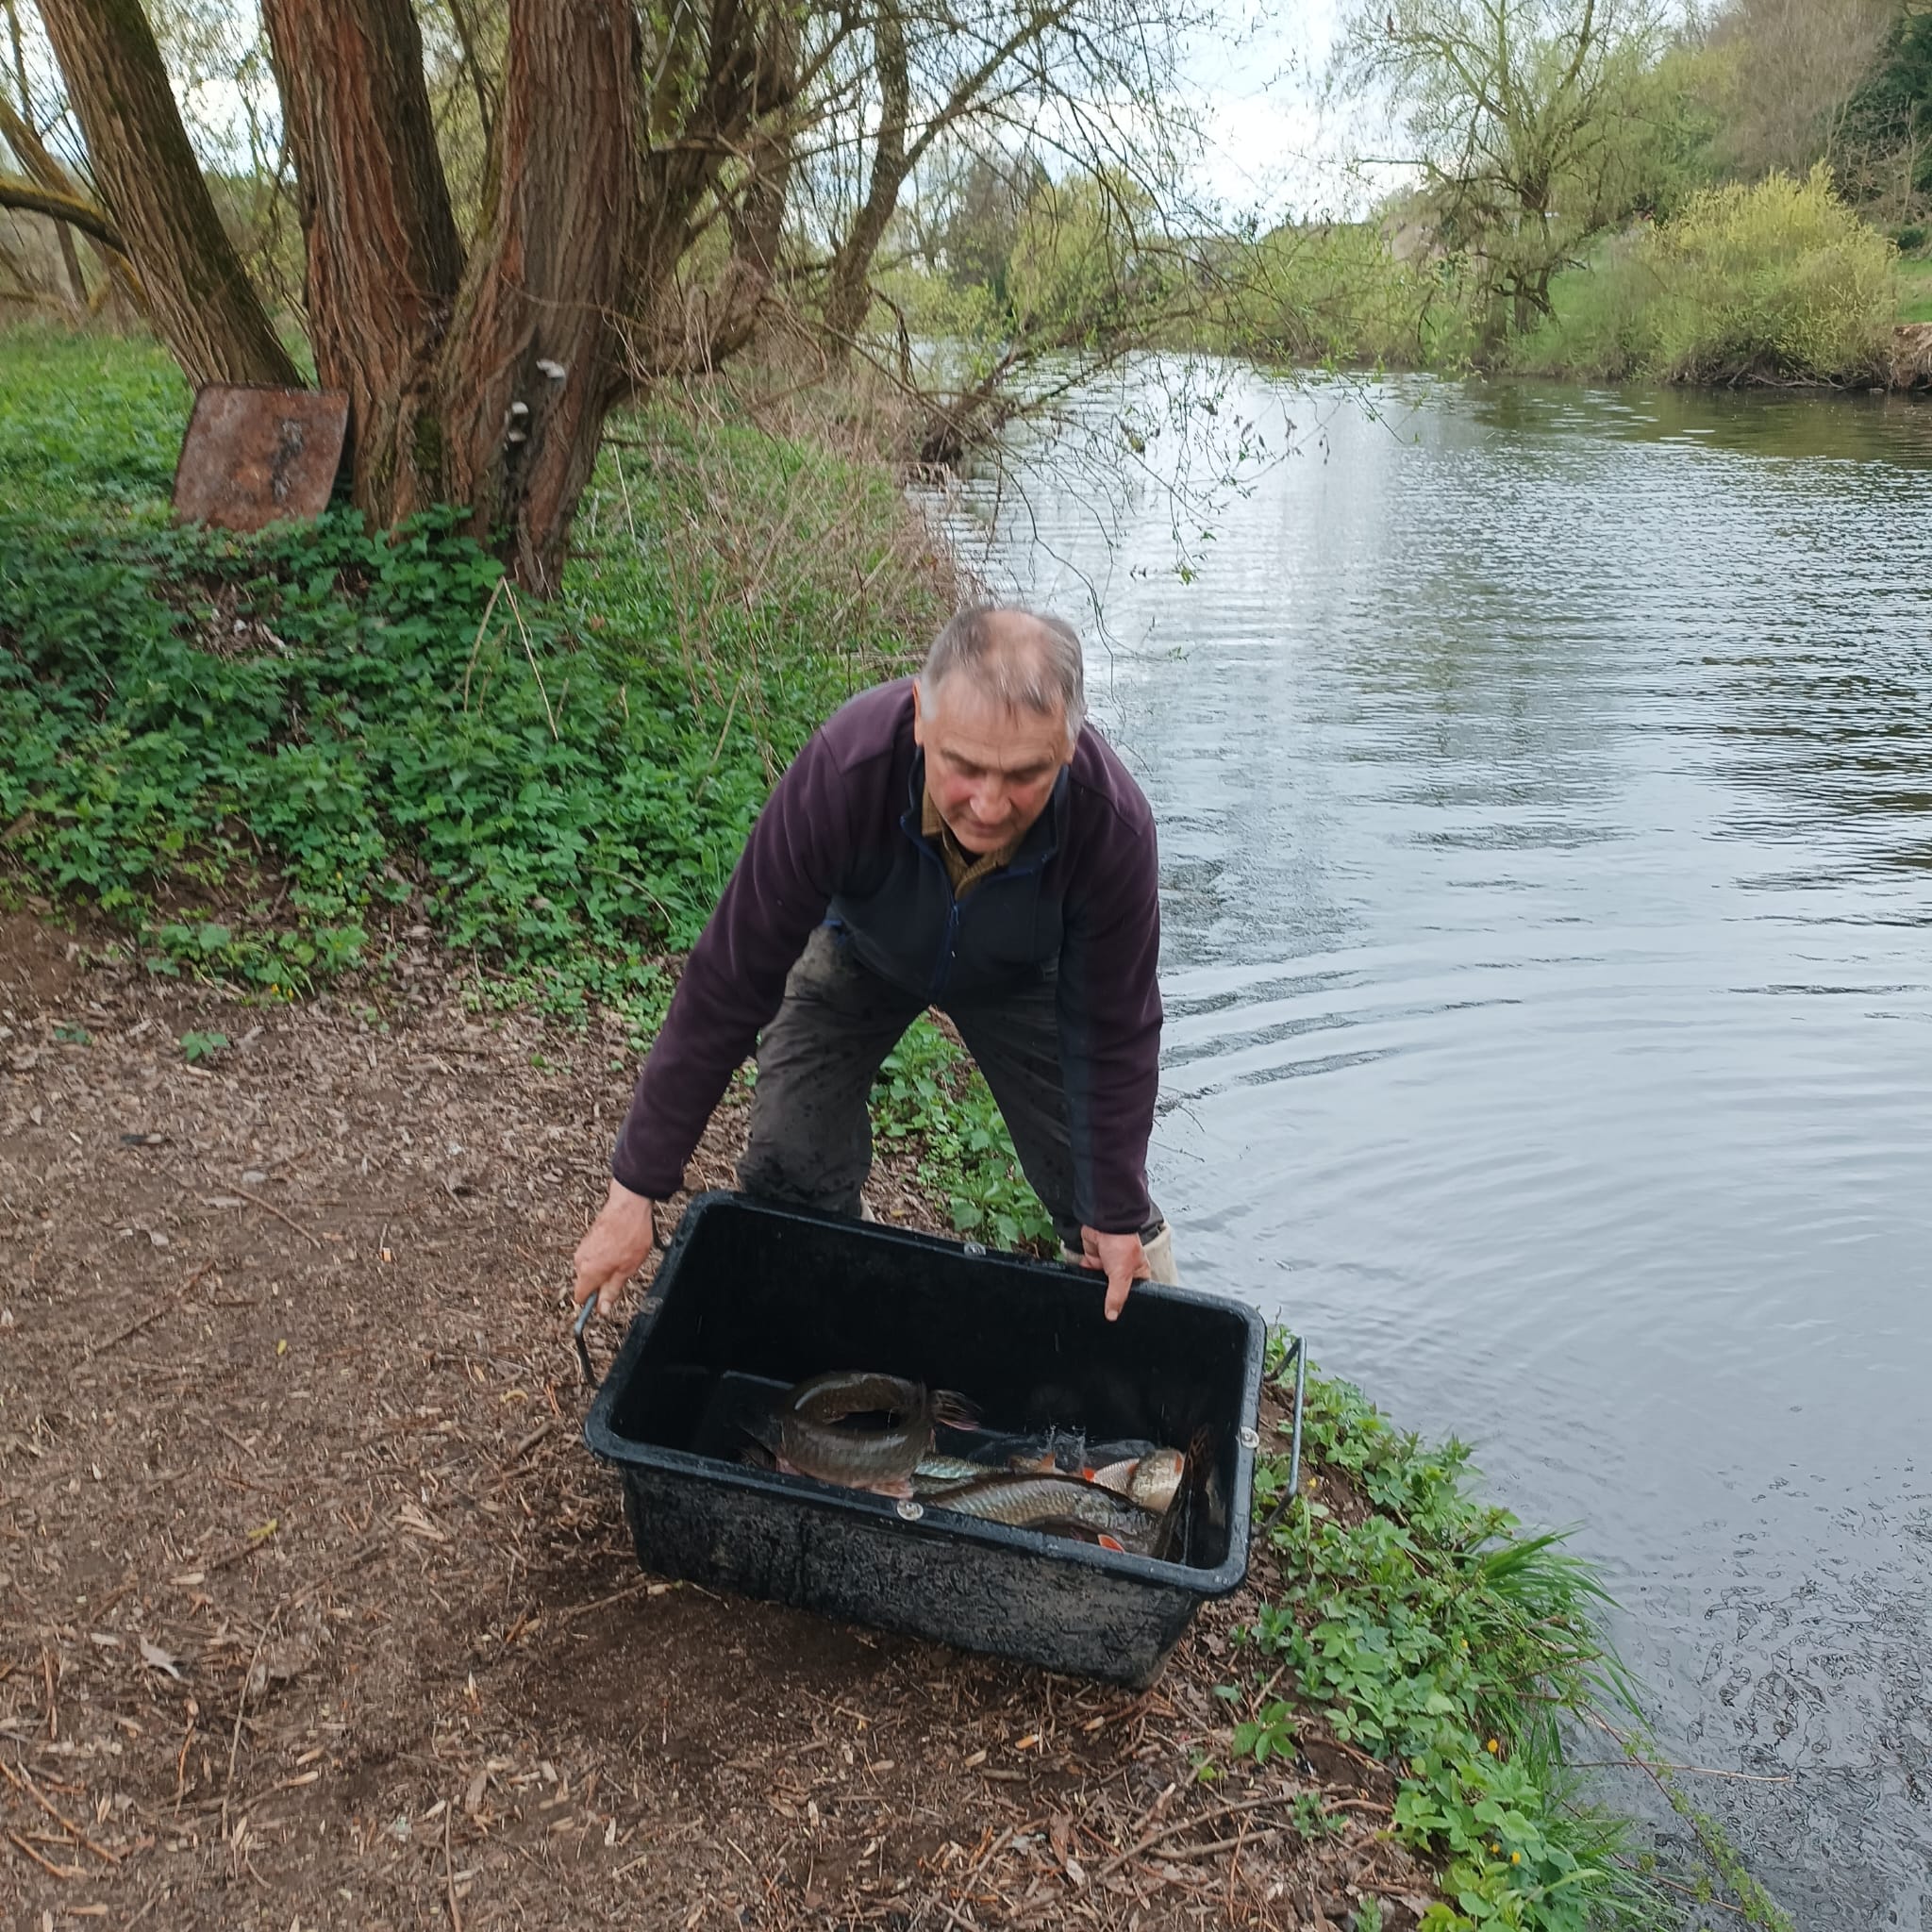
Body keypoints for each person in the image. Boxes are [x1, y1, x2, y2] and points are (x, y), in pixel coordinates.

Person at [571, 605, 1176, 1324]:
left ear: (1069, 744)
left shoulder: (1112, 823)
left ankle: (1149, 1329)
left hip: (1022, 978)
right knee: (789, 1158)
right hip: (862, 950)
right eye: (963, 766)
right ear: (921, 716)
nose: (988, 805)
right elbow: (729, 979)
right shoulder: (847, 769)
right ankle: (820, 1324)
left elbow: (1113, 1029)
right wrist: (635, 1189)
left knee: (1109, 1209)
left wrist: (1114, 1208)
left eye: (1025, 774)